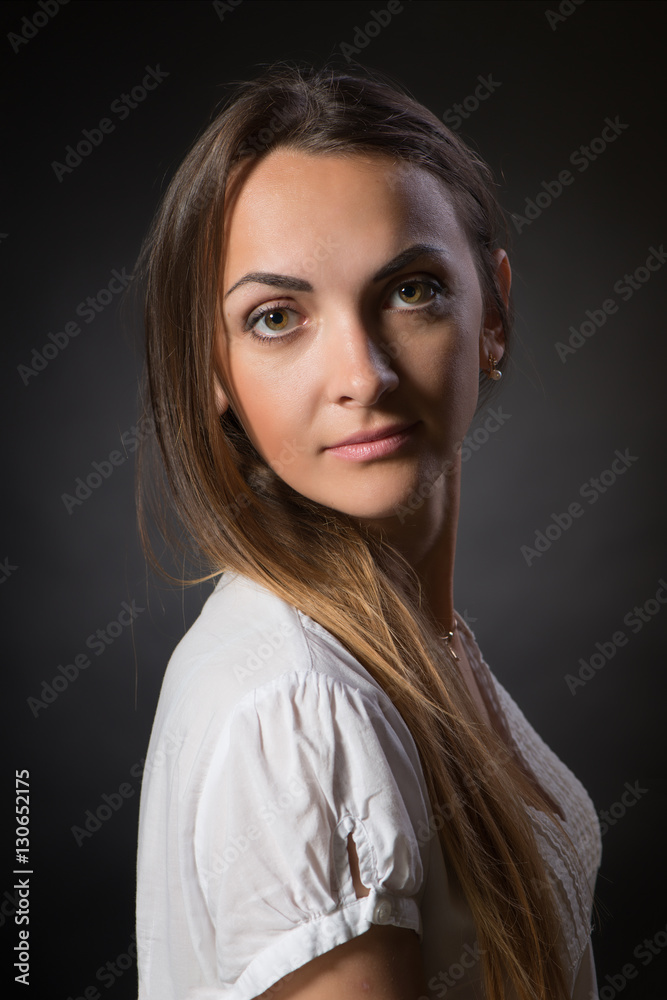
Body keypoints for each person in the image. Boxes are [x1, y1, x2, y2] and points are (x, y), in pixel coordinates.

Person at [134, 61, 602, 1000]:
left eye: (410, 290)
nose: (362, 375)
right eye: (275, 317)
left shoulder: (411, 642)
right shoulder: (301, 709)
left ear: (494, 312)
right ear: (213, 370)